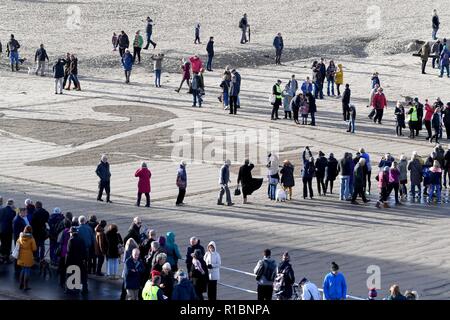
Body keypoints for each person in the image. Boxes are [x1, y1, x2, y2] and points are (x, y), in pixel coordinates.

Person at [66, 226, 88, 294]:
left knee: (70, 275)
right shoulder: (81, 239)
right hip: (81, 260)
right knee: (82, 275)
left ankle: (70, 290)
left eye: (70, 232)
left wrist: (67, 262)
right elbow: (84, 250)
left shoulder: (71, 240)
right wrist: (84, 259)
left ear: (72, 233)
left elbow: (69, 252)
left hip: (73, 260)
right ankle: (84, 289)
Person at [16, 225, 37, 290]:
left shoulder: (20, 237)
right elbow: (34, 248)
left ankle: (20, 284)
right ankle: (25, 286)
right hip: (28, 256)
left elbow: (17, 244)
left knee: (22, 270)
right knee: (27, 270)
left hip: (21, 256)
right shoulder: (31, 238)